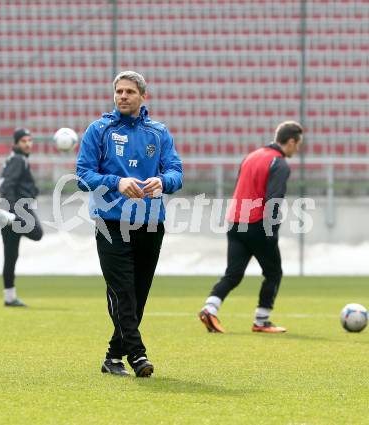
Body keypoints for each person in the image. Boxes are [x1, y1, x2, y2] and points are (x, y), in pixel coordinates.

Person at [76, 70, 183, 377]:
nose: (123, 96)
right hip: (110, 223)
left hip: (150, 223)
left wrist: (162, 182)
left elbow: (176, 172)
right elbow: (83, 175)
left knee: (138, 296)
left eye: (129, 92)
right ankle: (138, 355)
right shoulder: (99, 130)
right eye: (119, 91)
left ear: (142, 97)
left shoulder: (158, 133)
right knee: (123, 291)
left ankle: (112, 357)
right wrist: (117, 182)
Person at [199, 121, 303, 334]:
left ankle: (210, 308)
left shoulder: (252, 156)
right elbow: (274, 199)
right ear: (291, 141)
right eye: (298, 144)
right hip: (257, 225)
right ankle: (262, 320)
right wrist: (270, 231)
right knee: (274, 273)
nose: (298, 148)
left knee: (233, 274)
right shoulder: (279, 163)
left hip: (236, 223)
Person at [0, 128, 43, 307]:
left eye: (30, 140)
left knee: (10, 256)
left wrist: (32, 190)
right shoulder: (18, 159)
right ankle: (10, 218)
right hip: (16, 209)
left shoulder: (15, 159)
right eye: (23, 141)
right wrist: (13, 212)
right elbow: (7, 185)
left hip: (6, 211)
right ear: (15, 144)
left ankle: (9, 297)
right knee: (37, 233)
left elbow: (7, 183)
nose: (28, 144)